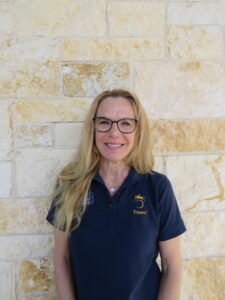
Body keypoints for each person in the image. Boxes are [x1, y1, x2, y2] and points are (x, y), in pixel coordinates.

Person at [46, 89, 186, 300]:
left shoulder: (157, 187)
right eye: (104, 122)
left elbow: (172, 267)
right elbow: (61, 261)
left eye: (125, 123)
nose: (114, 133)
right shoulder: (69, 185)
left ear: (138, 130)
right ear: (92, 128)